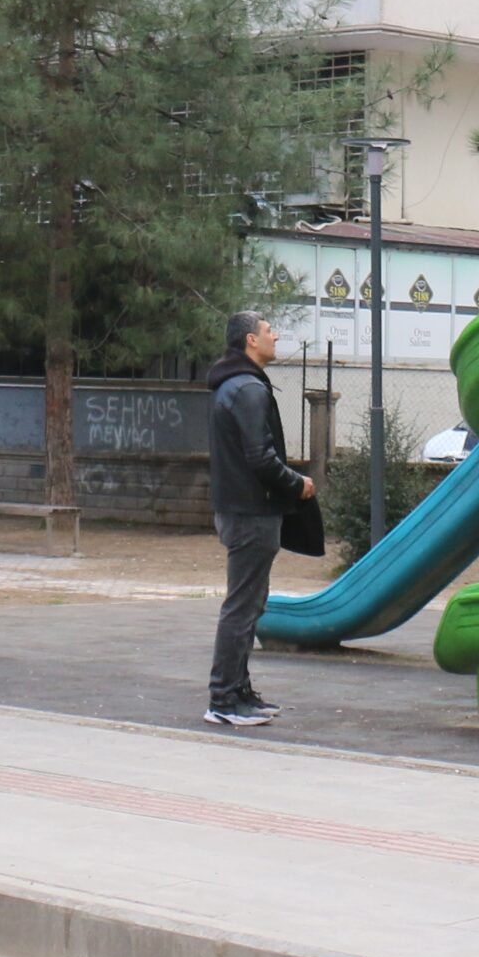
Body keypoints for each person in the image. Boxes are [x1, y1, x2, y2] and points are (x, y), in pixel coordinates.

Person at [203, 311, 313, 728]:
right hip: (251, 511)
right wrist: (296, 483)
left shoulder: (232, 384)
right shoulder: (248, 389)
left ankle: (238, 690)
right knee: (243, 606)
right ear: (251, 340)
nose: (276, 335)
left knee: (250, 604)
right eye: (269, 330)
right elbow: (260, 457)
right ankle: (224, 699)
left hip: (239, 508)